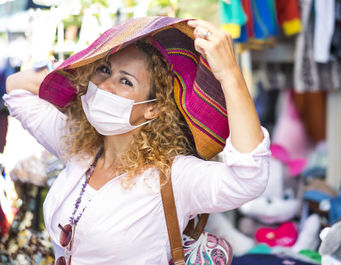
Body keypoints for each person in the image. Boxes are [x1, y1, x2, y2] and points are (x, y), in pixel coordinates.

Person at [4, 17, 270, 265]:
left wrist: (230, 76)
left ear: (152, 108)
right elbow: (16, 87)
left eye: (125, 81)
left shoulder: (174, 176)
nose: (105, 85)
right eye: (104, 69)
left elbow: (249, 177)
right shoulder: (79, 149)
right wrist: (82, 71)